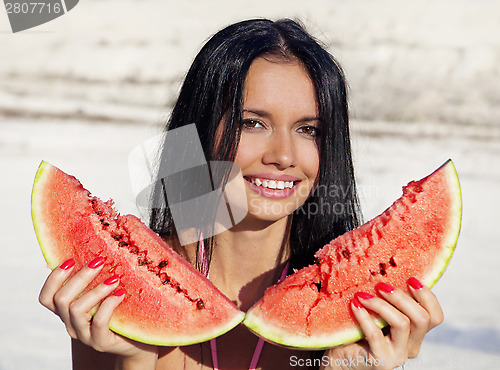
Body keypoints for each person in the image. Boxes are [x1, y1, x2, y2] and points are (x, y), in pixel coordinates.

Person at [38, 18, 444, 369]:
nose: (284, 155)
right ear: (198, 132)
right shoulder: (114, 292)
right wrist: (133, 360)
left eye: (309, 130)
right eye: (252, 123)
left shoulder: (360, 314)